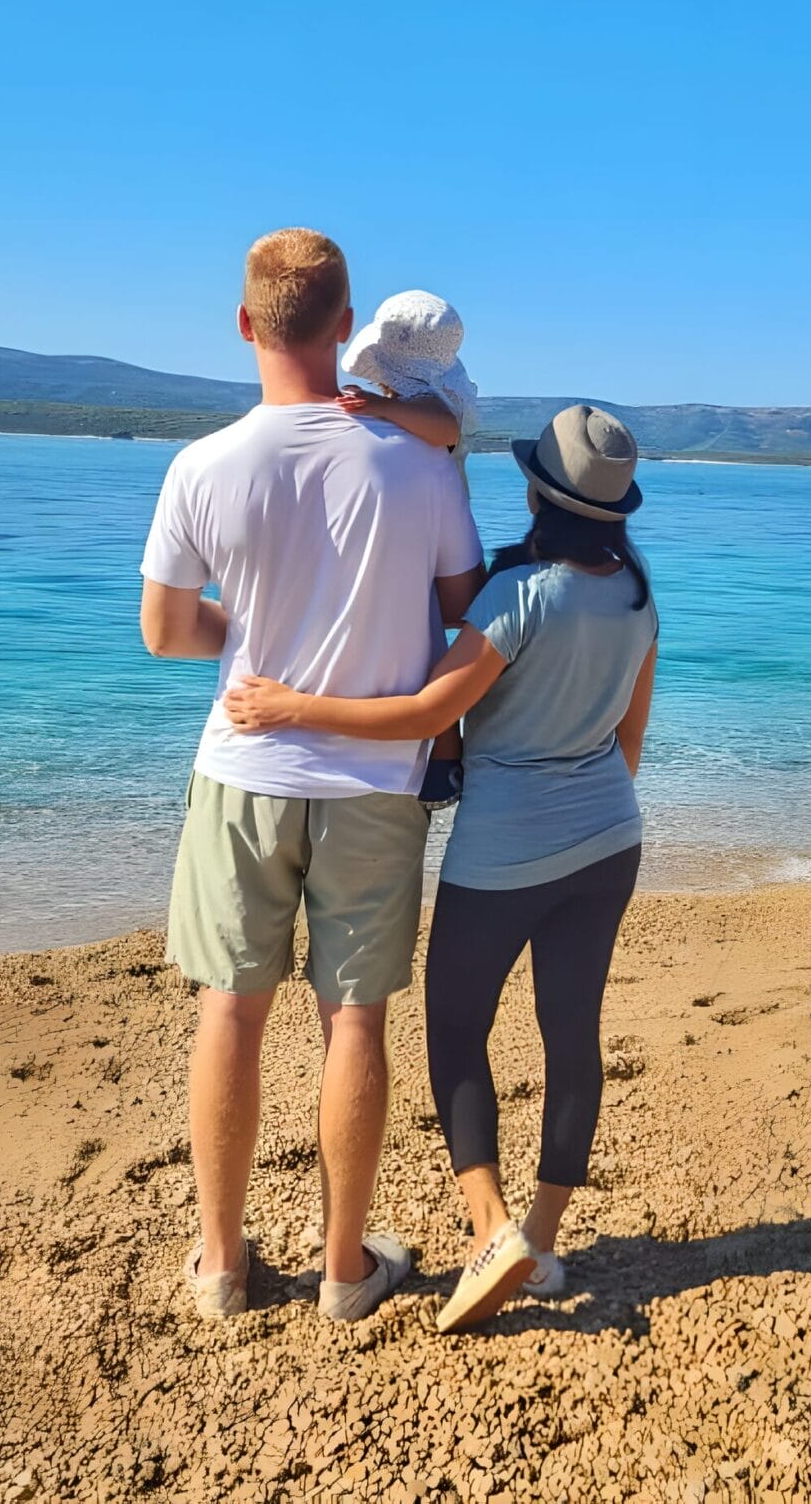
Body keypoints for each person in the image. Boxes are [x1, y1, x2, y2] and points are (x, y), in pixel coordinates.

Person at [225, 404, 659, 1334]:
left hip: (505, 851)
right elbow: (628, 743)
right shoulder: (636, 592)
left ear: (538, 492)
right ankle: (540, 1243)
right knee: (570, 1032)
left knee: (457, 1032)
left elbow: (428, 714)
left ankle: (491, 1224)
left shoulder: (518, 595)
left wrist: (294, 705)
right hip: (611, 839)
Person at [139, 228, 484, 1323]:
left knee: (229, 1012)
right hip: (377, 779)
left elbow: (164, 632)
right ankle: (344, 1270)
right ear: (347, 327)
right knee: (354, 1022)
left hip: (244, 767)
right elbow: (463, 612)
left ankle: (222, 1264)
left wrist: (254, 632)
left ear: (245, 324)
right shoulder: (421, 465)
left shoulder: (203, 464)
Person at [336, 290, 480, 806]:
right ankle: (444, 760)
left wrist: (376, 407)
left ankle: (444, 760)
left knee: (426, 645)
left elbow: (445, 429)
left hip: (437, 524)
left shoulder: (434, 409)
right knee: (425, 640)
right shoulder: (421, 403)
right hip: (437, 522)